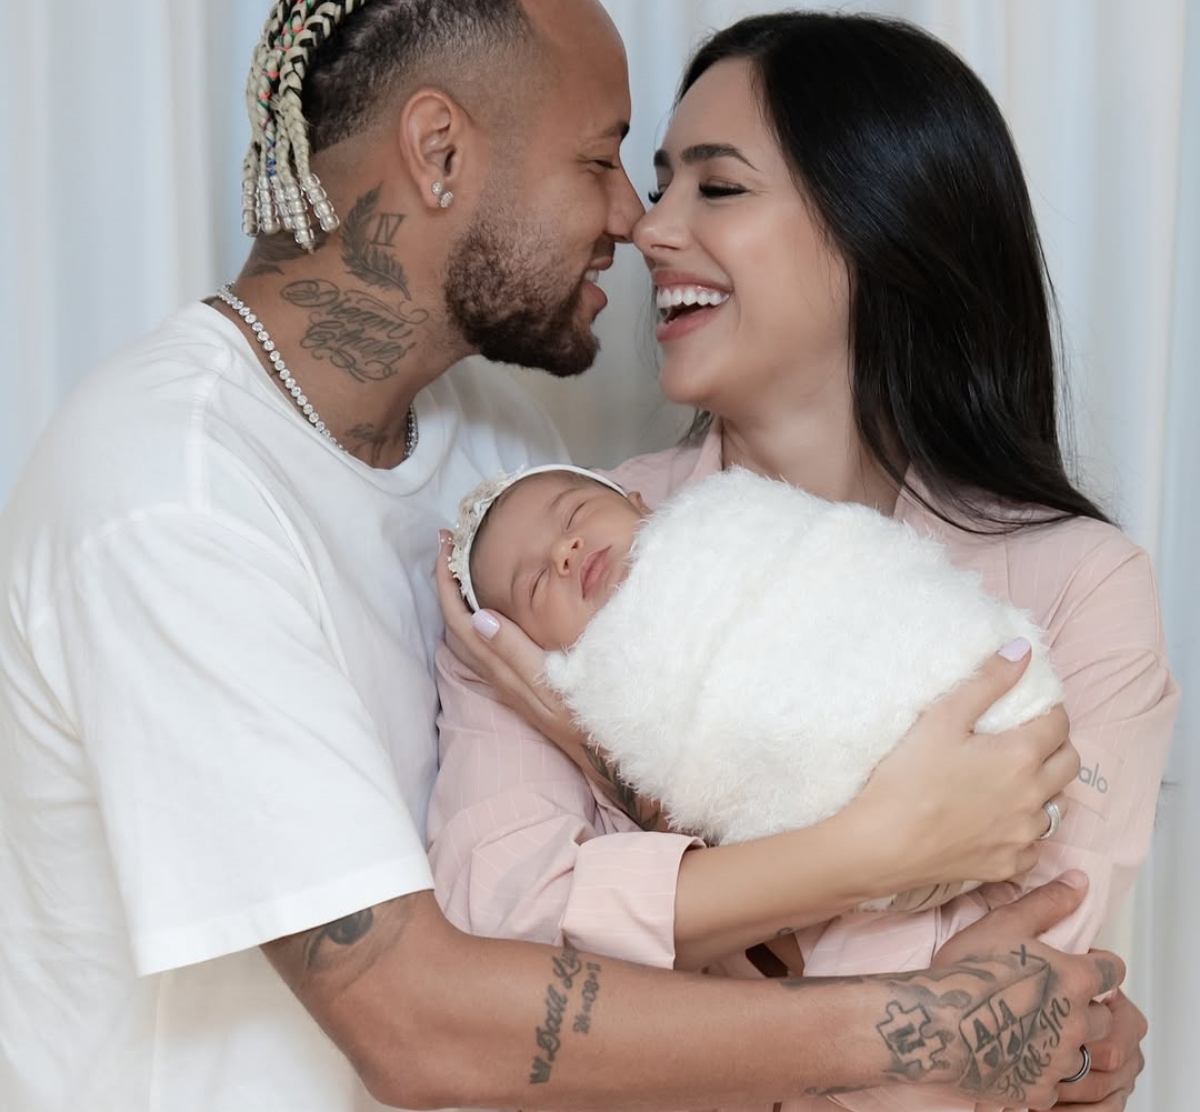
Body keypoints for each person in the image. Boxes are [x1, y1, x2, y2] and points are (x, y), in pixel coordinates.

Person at [0, 1, 1141, 1109]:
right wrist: (915, 986)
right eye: (605, 160)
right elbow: (429, 1009)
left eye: (702, 184)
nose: (634, 221)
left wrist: (595, 758)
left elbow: (1043, 1004)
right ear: (439, 150)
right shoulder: (177, 497)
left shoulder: (505, 461)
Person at [429, 10, 1178, 1112]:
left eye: (717, 187)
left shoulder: (1077, 587)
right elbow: (496, 947)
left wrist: (620, 794)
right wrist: (872, 861)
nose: (648, 228)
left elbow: (1005, 1026)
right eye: (660, 183)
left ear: (885, 224)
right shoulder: (545, 554)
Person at [446, 459, 1067, 917]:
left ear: (639, 501)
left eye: (574, 515)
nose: (565, 552)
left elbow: (842, 568)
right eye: (535, 585)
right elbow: (522, 914)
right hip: (836, 820)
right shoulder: (591, 697)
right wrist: (581, 724)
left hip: (953, 706)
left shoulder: (727, 513)